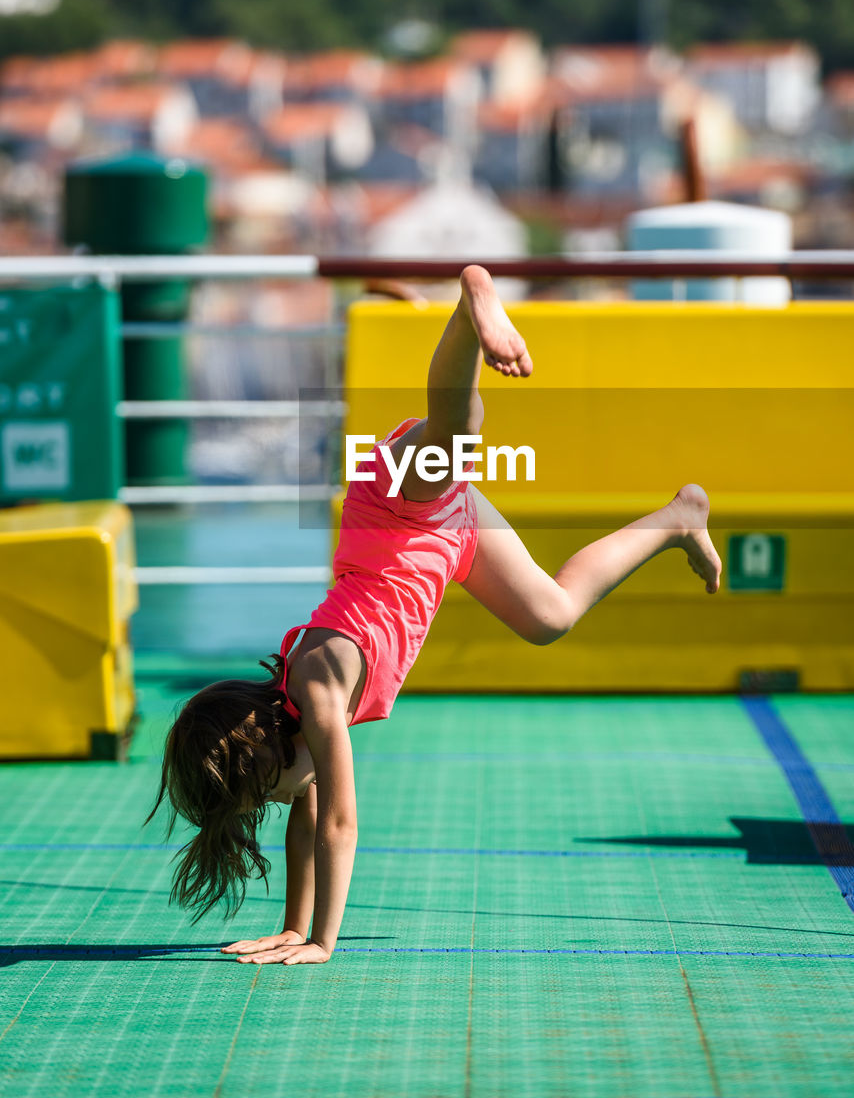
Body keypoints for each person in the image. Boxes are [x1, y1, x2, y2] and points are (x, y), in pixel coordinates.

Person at [145, 265, 721, 967]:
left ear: (266, 754)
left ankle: (472, 297)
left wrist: (323, 942)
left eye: (262, 794)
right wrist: (293, 926)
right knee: (552, 615)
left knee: (456, 428)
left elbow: (340, 826)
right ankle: (678, 518)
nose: (276, 803)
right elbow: (308, 818)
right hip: (440, 542)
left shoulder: (318, 687)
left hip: (391, 513)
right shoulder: (293, 723)